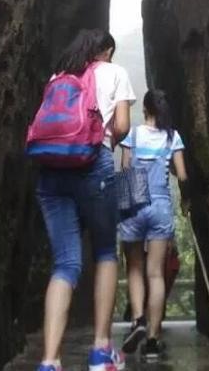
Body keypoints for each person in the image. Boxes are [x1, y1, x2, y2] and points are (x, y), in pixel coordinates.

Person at [35, 29, 136, 371]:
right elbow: (122, 125)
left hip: (51, 168)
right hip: (93, 162)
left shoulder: (59, 76)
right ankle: (101, 350)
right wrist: (107, 140)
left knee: (65, 264)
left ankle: (49, 361)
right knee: (105, 251)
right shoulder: (115, 72)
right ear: (105, 50)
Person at [119, 90, 189, 361]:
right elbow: (182, 175)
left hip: (135, 203)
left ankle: (138, 318)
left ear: (145, 109)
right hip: (160, 206)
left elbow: (126, 168)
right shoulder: (172, 137)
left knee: (134, 267)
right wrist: (166, 165)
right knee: (156, 273)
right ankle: (152, 338)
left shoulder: (132, 135)